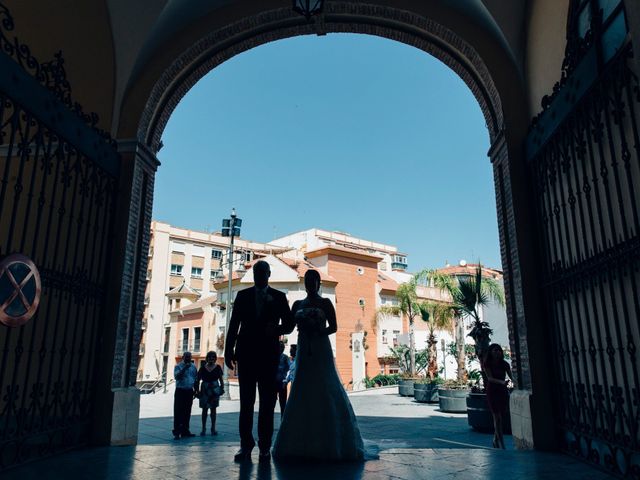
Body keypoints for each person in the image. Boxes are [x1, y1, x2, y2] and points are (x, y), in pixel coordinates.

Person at [272, 269, 365, 461]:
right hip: (304, 348)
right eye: (307, 280)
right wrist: (274, 328)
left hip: (320, 347)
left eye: (313, 280)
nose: (310, 283)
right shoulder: (297, 304)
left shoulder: (325, 303)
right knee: (302, 386)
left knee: (324, 383)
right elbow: (289, 327)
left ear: (318, 283)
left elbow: (334, 326)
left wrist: (317, 331)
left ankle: (330, 439)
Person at [225, 260, 295, 462]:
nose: (259, 275)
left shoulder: (279, 297)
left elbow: (290, 324)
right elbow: (233, 324)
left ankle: (265, 446)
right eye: (256, 272)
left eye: (262, 272)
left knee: (267, 403)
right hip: (246, 355)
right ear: (253, 274)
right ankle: (245, 446)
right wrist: (228, 350)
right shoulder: (242, 296)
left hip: (268, 357)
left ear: (268, 274)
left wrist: (277, 329)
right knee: (246, 403)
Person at [482, 343, 514, 449]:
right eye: (495, 350)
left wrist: (515, 383)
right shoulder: (487, 364)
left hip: (502, 391)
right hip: (493, 391)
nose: (498, 352)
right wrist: (502, 382)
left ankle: (495, 439)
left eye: (499, 350)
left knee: (500, 417)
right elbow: (490, 378)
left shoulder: (504, 364)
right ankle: (502, 444)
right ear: (491, 352)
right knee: (497, 417)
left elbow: (511, 376)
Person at [196, 351, 224, 436]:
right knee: (204, 410)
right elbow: (197, 380)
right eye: (209, 357)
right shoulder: (202, 368)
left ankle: (213, 428)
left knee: (213, 410)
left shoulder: (218, 367)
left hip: (214, 389)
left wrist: (221, 388)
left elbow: (221, 379)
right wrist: (197, 391)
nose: (211, 359)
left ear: (215, 359)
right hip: (205, 389)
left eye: (213, 357)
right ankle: (203, 428)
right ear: (207, 358)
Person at [173, 351, 198, 439]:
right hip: (180, 390)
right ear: (183, 357)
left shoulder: (193, 367)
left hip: (189, 391)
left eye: (189, 357)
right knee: (178, 411)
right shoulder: (178, 366)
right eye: (186, 357)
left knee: (187, 411)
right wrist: (184, 368)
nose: (188, 358)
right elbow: (177, 377)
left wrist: (196, 390)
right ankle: (177, 431)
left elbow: (195, 379)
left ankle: (185, 430)